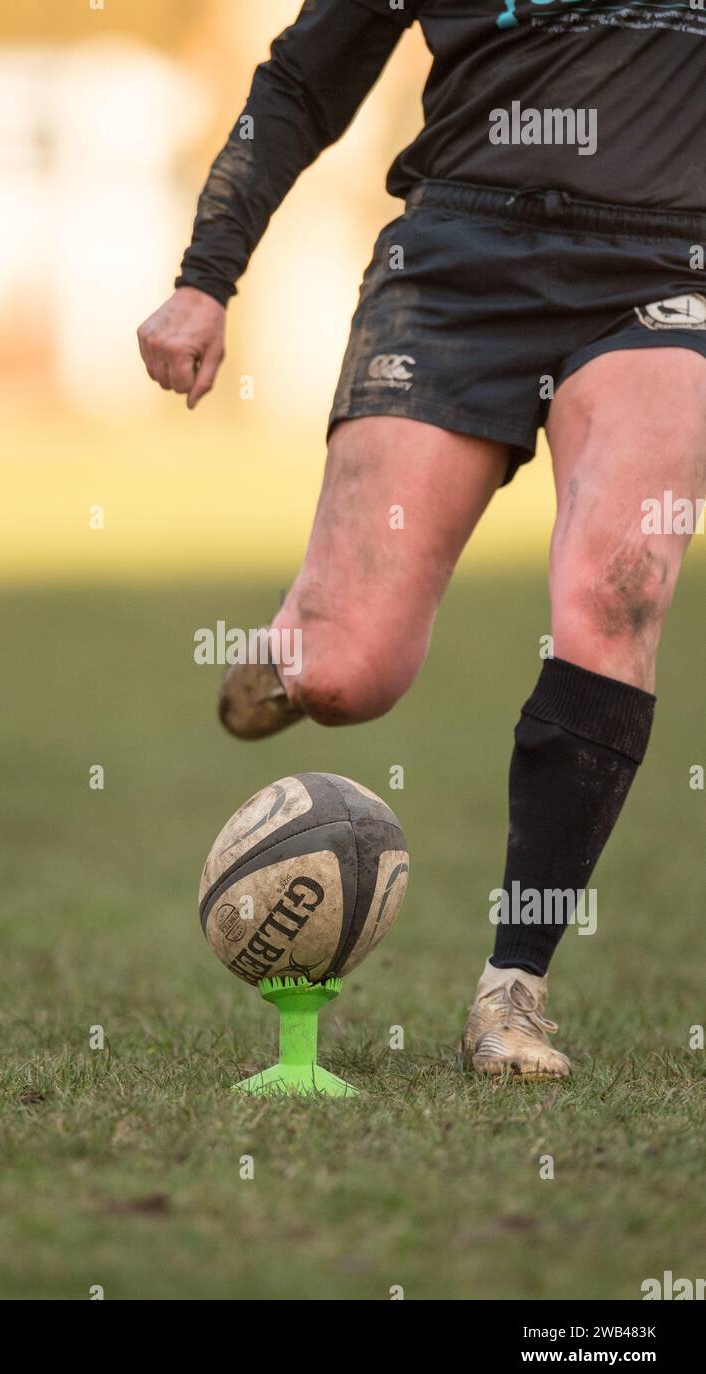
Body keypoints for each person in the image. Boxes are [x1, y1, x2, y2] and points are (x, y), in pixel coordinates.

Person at [137, 0, 706, 1078]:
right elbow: (303, 81)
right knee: (350, 674)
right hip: (458, 264)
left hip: (662, 271)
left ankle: (512, 989)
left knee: (618, 586)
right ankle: (302, 633)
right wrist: (205, 279)